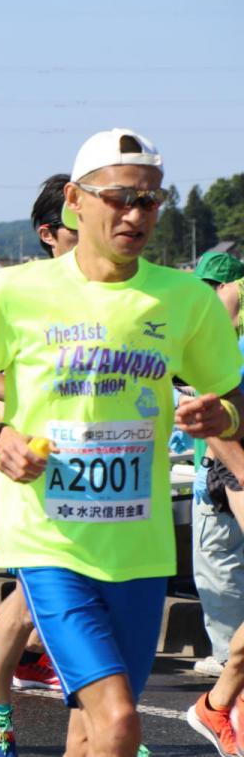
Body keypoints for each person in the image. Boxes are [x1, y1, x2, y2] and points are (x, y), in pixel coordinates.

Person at [0, 128, 244, 757]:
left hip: (138, 544)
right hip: (49, 538)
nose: (136, 214)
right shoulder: (20, 291)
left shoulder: (186, 298)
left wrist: (225, 420)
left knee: (91, 727)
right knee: (119, 724)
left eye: (151, 201)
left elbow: (233, 397)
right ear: (76, 202)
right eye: (119, 198)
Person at [0, 175, 74, 724]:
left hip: (92, 473)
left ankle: (108, 721)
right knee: (35, 595)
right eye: (79, 224)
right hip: (18, 463)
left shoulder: (123, 290)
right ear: (49, 233)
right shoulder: (20, 290)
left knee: (82, 593)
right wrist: (33, 396)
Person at [184, 252, 244, 680]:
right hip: (228, 465)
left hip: (226, 467)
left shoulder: (224, 341)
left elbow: (215, 416)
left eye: (209, 290)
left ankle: (227, 657)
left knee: (218, 561)